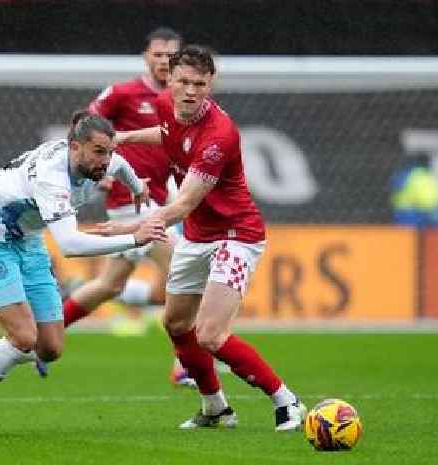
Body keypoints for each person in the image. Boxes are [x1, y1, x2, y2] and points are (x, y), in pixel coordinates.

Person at [101, 45, 306, 430]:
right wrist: (124, 138)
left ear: (211, 84)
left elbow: (183, 204)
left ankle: (286, 400)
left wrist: (129, 226)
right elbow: (166, 134)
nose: (191, 91)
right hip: (198, 236)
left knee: (210, 333)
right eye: (183, 82)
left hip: (235, 235)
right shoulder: (166, 105)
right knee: (177, 324)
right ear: (170, 81)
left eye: (200, 84)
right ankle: (216, 408)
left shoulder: (219, 135)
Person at [0, 110, 167, 438]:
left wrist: (138, 188)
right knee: (23, 338)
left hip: (29, 243)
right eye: (98, 153)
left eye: (109, 152)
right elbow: (70, 244)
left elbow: (122, 167)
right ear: (74, 148)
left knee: (50, 348)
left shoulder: (101, 160)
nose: (105, 162)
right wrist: (136, 237)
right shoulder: (52, 178)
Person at [59, 27, 195, 386]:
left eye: (171, 55)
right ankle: (187, 364)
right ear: (146, 57)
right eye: (158, 54)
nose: (165, 60)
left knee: (109, 286)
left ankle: (45, 332)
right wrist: (95, 172)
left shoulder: (181, 100)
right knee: (187, 271)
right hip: (130, 205)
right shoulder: (123, 93)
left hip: (157, 202)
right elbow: (83, 127)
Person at [391, 153, 438, 228]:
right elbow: (428, 199)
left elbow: (395, 191)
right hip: (413, 212)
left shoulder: (405, 174)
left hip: (406, 212)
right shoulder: (421, 175)